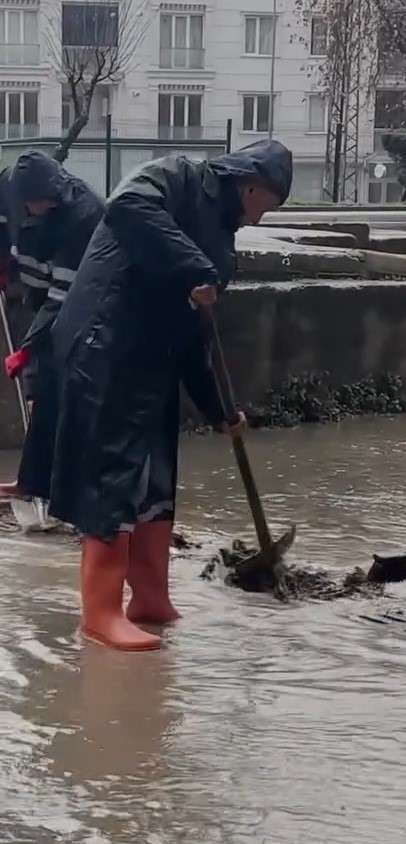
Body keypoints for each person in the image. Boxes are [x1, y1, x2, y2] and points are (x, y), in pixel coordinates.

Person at [48, 140, 293, 652]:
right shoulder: (175, 177)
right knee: (114, 482)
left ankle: (150, 598)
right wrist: (195, 267)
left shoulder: (221, 241)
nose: (260, 219)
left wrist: (220, 411)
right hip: (106, 350)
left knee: (155, 485)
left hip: (154, 365)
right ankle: (100, 613)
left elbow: (196, 337)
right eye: (266, 206)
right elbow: (125, 208)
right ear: (251, 185)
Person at [0, 151, 104, 504]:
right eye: (34, 202)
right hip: (37, 290)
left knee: (62, 389)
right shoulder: (10, 187)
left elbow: (61, 298)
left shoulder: (84, 216)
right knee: (41, 389)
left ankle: (75, 490)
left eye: (47, 201)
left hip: (81, 304)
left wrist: (28, 347)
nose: (41, 206)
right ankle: (31, 482)